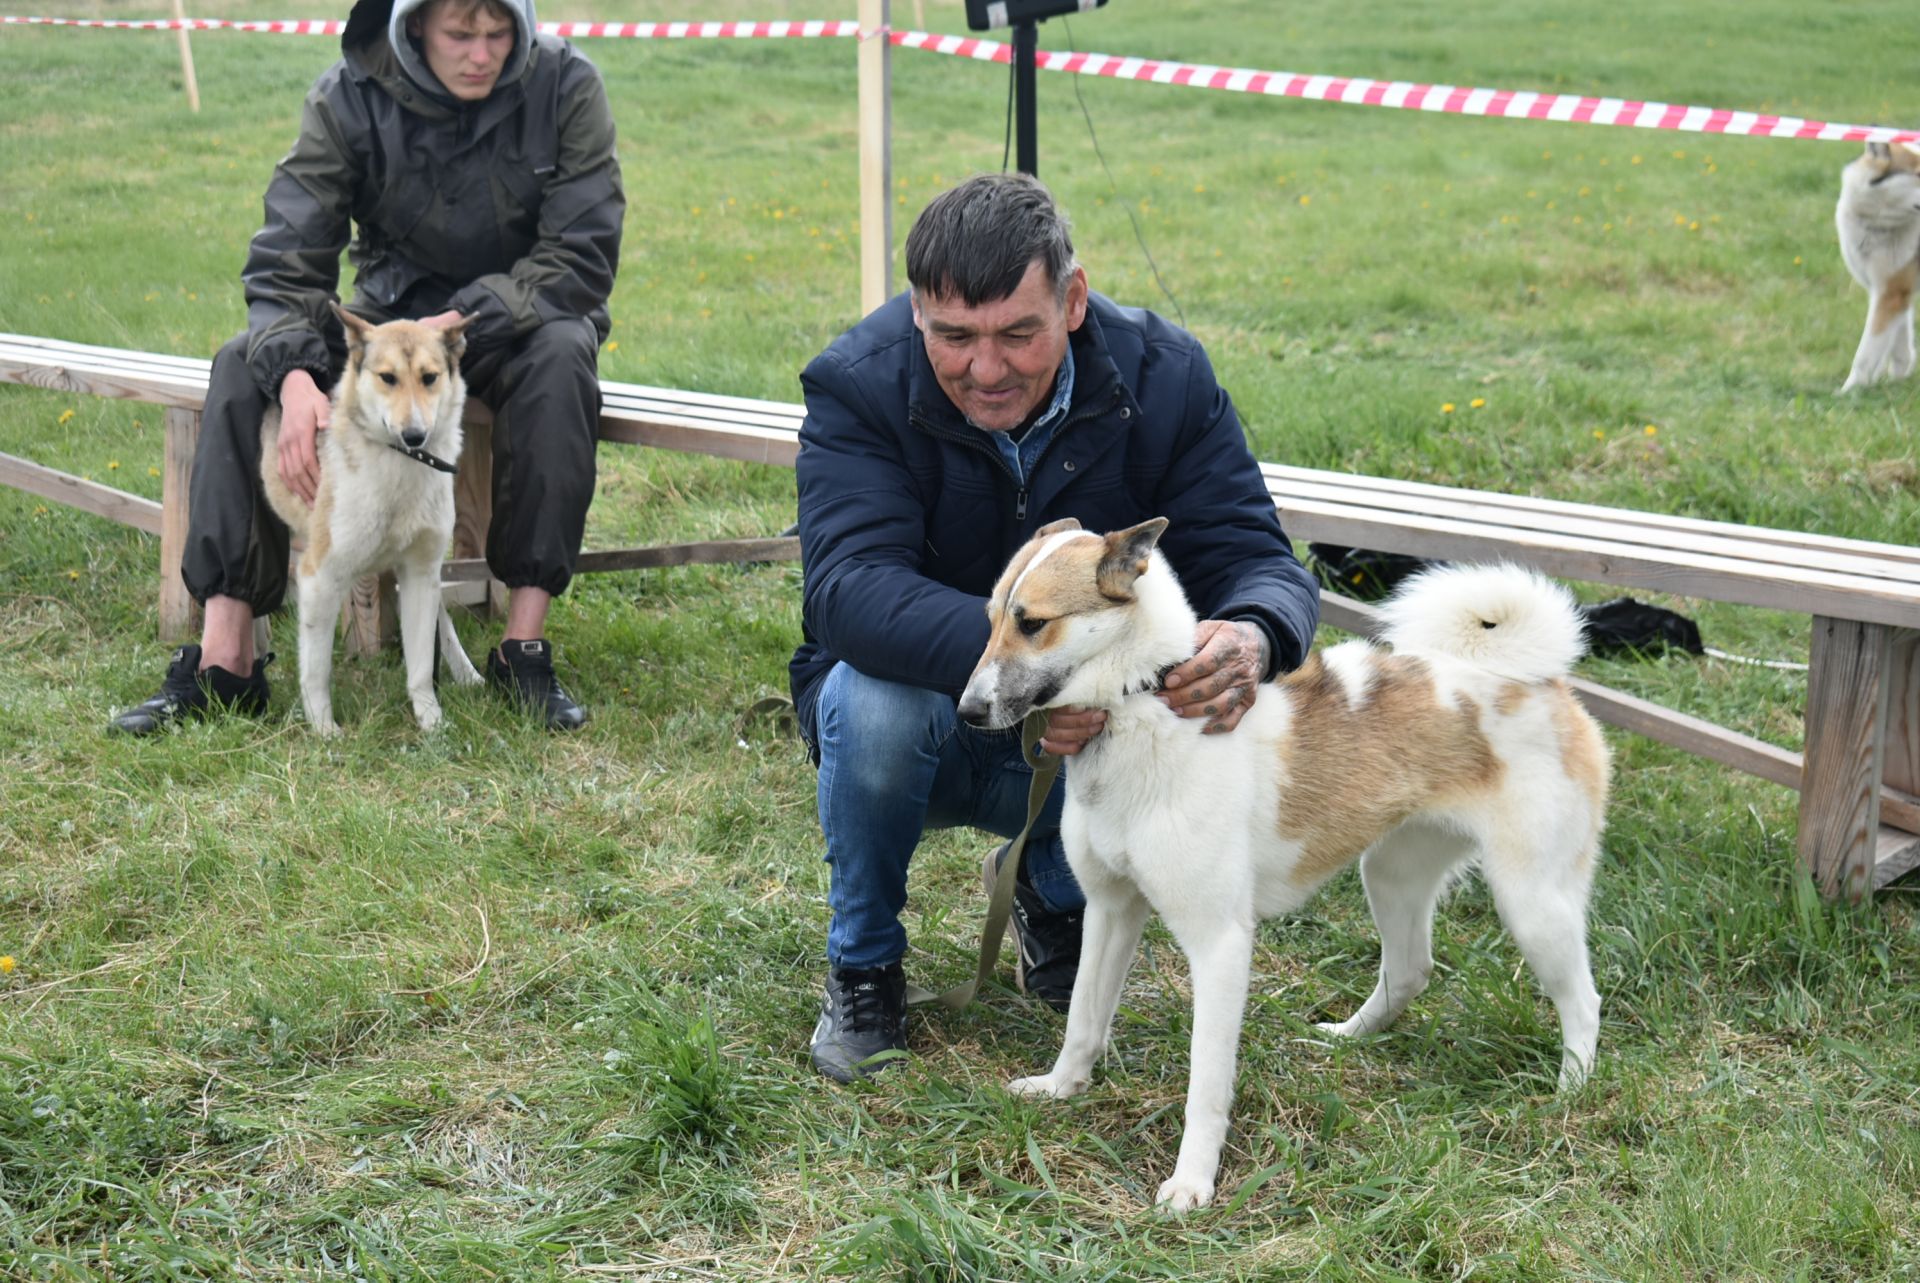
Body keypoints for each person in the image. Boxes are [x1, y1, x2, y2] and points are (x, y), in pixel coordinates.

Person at [792, 172, 1321, 1082]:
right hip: (943, 720)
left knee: (1145, 717)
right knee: (866, 701)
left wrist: (1257, 634)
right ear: (917, 311)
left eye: (1017, 334)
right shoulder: (858, 384)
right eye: (952, 336)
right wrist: (1039, 678)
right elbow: (846, 589)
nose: (984, 369)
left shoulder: (1167, 375)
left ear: (1073, 300)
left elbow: (1257, 555)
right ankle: (864, 963)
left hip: (1107, 739)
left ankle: (1057, 891)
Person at [111, 0, 622, 735]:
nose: (482, 53)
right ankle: (226, 660)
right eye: (460, 34)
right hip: (385, 320)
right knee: (238, 363)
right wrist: (292, 377)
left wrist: (470, 314)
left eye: (499, 32)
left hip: (518, 318)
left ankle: (523, 648)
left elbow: (584, 247)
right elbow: (289, 253)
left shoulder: (567, 85)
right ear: (414, 27)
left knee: (567, 359)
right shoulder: (348, 94)